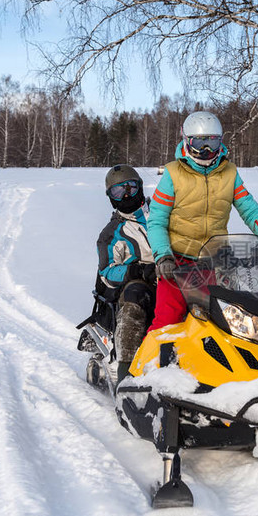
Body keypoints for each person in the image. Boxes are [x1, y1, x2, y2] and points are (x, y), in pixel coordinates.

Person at [147, 111, 258, 331]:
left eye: (213, 141)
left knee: (228, 321)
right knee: (167, 322)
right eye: (200, 142)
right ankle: (149, 364)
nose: (206, 150)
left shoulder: (229, 173)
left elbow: (250, 209)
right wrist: (163, 256)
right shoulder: (172, 174)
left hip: (215, 262)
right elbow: (157, 221)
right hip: (177, 264)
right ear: (187, 141)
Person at [94, 164, 156, 383]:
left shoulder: (162, 212)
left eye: (130, 187)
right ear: (111, 197)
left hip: (173, 275)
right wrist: (136, 270)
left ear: (139, 186)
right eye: (119, 191)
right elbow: (106, 272)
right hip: (137, 285)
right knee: (135, 299)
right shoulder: (111, 233)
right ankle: (125, 374)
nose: (127, 194)